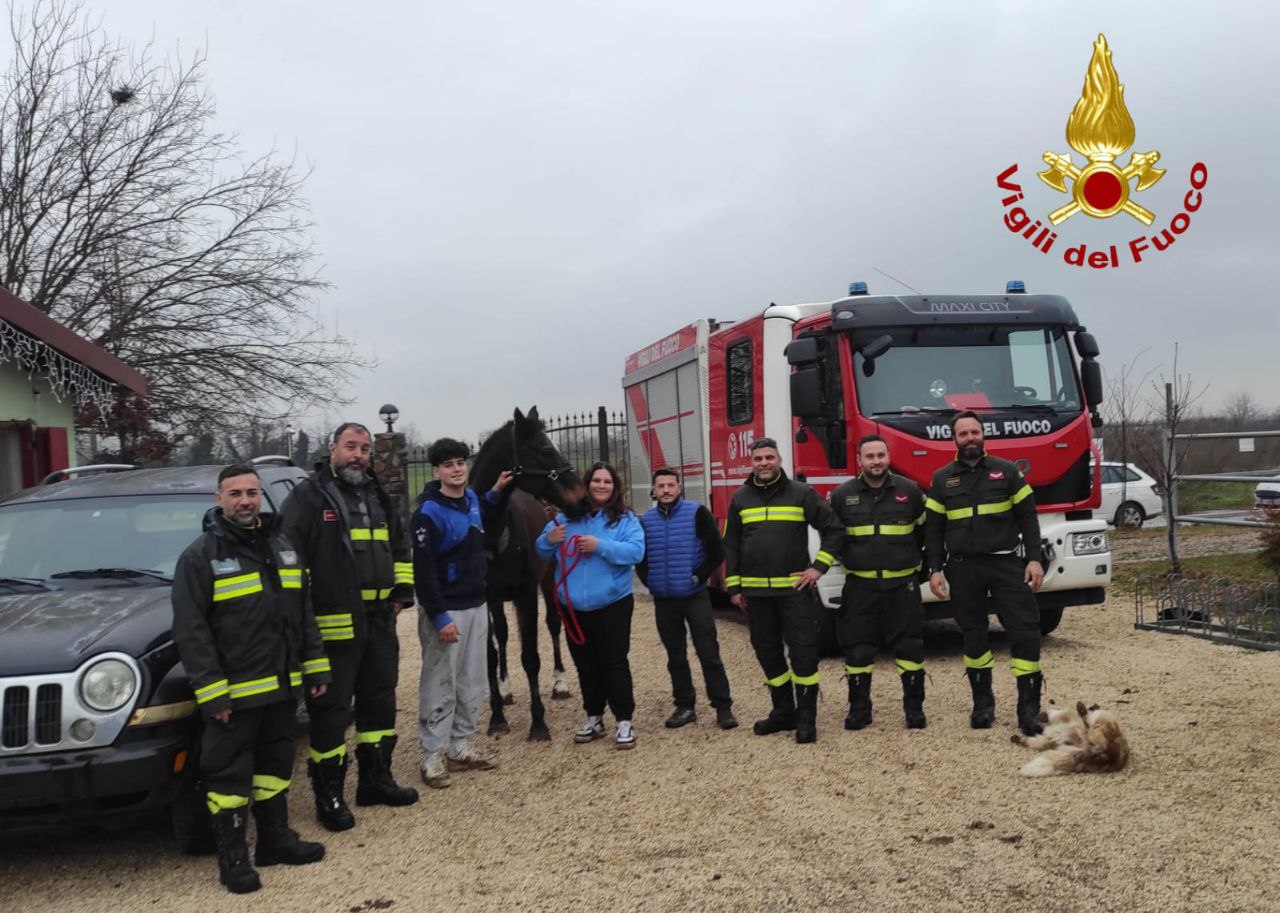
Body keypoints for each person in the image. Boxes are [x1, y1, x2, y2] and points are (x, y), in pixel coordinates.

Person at [172, 464, 330, 894]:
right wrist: (212, 693)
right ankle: (233, 858)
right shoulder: (200, 557)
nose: (245, 500)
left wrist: (315, 665)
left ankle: (275, 841)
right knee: (227, 777)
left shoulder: (282, 546)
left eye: (252, 493)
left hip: (281, 689)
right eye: (235, 493)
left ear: (261, 496)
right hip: (234, 697)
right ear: (218, 500)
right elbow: (192, 632)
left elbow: (304, 612)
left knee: (276, 767)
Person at [281, 422, 419, 833]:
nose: (358, 454)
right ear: (333, 449)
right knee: (331, 713)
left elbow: (400, 547)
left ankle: (376, 781)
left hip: (379, 622)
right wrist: (303, 625)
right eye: (350, 447)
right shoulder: (308, 497)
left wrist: (403, 590)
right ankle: (330, 795)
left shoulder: (377, 493)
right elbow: (290, 563)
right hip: (333, 629)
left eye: (364, 448)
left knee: (380, 704)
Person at [924, 410, 1046, 736]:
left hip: (1006, 564)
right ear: (954, 439)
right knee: (973, 634)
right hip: (963, 567)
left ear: (983, 434)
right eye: (963, 434)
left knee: (1024, 631)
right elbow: (934, 530)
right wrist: (935, 569)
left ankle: (1028, 709)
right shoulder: (941, 479)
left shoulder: (1007, 473)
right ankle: (983, 704)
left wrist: (1034, 559)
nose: (969, 438)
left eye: (974, 432)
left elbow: (1028, 518)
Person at [723, 438, 843, 744]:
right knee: (768, 654)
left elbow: (833, 529)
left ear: (779, 460)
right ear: (751, 463)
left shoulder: (801, 493)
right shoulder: (740, 499)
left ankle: (806, 719)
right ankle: (782, 712)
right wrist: (734, 586)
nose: (763, 463)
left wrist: (818, 568)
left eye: (769, 457)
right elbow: (732, 546)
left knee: (803, 654)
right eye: (758, 458)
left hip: (794, 593)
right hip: (756, 597)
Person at [412, 437, 513, 788]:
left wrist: (496, 492)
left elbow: (478, 513)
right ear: (436, 470)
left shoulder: (470, 498)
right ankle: (432, 755)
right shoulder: (428, 513)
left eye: (460, 462)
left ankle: (459, 745)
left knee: (473, 680)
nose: (456, 469)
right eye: (448, 464)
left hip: (476, 603)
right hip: (448, 611)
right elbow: (423, 573)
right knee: (440, 682)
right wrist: (439, 616)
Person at [535, 462, 645, 749]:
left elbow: (636, 551)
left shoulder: (625, 519)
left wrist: (601, 546)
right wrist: (549, 539)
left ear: (614, 487)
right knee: (585, 664)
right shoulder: (566, 518)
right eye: (596, 480)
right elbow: (541, 548)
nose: (601, 486)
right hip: (572, 606)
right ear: (587, 484)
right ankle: (594, 716)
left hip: (612, 603)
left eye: (607, 481)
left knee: (614, 662)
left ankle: (624, 720)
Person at [828, 435, 928, 731]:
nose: (876, 461)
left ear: (888, 456)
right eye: (869, 456)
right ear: (859, 460)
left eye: (881, 455)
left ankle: (914, 709)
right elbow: (833, 537)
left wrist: (920, 569)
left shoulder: (910, 491)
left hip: (902, 587)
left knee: (910, 648)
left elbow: (926, 533)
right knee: (857, 650)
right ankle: (859, 710)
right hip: (861, 587)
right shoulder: (842, 496)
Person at [637, 468, 737, 730]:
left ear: (679, 488)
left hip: (695, 596)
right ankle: (684, 706)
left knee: (708, 652)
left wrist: (698, 576)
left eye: (671, 485)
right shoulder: (646, 520)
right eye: (661, 486)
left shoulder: (697, 513)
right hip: (664, 600)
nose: (666, 490)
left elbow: (717, 551)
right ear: (654, 490)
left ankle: (723, 707)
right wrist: (652, 582)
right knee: (675, 656)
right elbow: (641, 559)